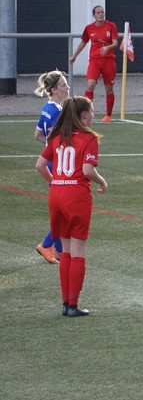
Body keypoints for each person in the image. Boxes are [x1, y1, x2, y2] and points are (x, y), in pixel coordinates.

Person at [34, 96, 109, 317]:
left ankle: (65, 304)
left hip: (56, 194)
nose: (93, 115)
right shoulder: (89, 137)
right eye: (92, 111)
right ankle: (73, 305)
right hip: (76, 196)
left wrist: (56, 182)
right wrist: (102, 182)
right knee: (78, 251)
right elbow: (87, 170)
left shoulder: (57, 136)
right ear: (84, 115)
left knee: (65, 250)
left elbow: (39, 165)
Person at [33, 69, 69, 264]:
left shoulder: (47, 108)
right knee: (64, 211)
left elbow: (38, 135)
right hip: (58, 165)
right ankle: (47, 245)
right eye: (64, 85)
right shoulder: (57, 112)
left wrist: (49, 147)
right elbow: (56, 139)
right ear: (54, 89)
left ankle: (59, 250)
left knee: (62, 209)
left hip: (53, 161)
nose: (67, 87)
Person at [68, 5, 119, 123]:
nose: (101, 14)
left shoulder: (111, 26)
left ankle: (108, 115)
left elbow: (115, 43)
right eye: (98, 12)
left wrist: (108, 48)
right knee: (90, 85)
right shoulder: (89, 28)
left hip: (108, 60)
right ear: (94, 15)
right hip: (94, 60)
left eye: (102, 12)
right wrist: (74, 56)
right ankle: (86, 113)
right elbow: (83, 42)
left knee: (109, 88)